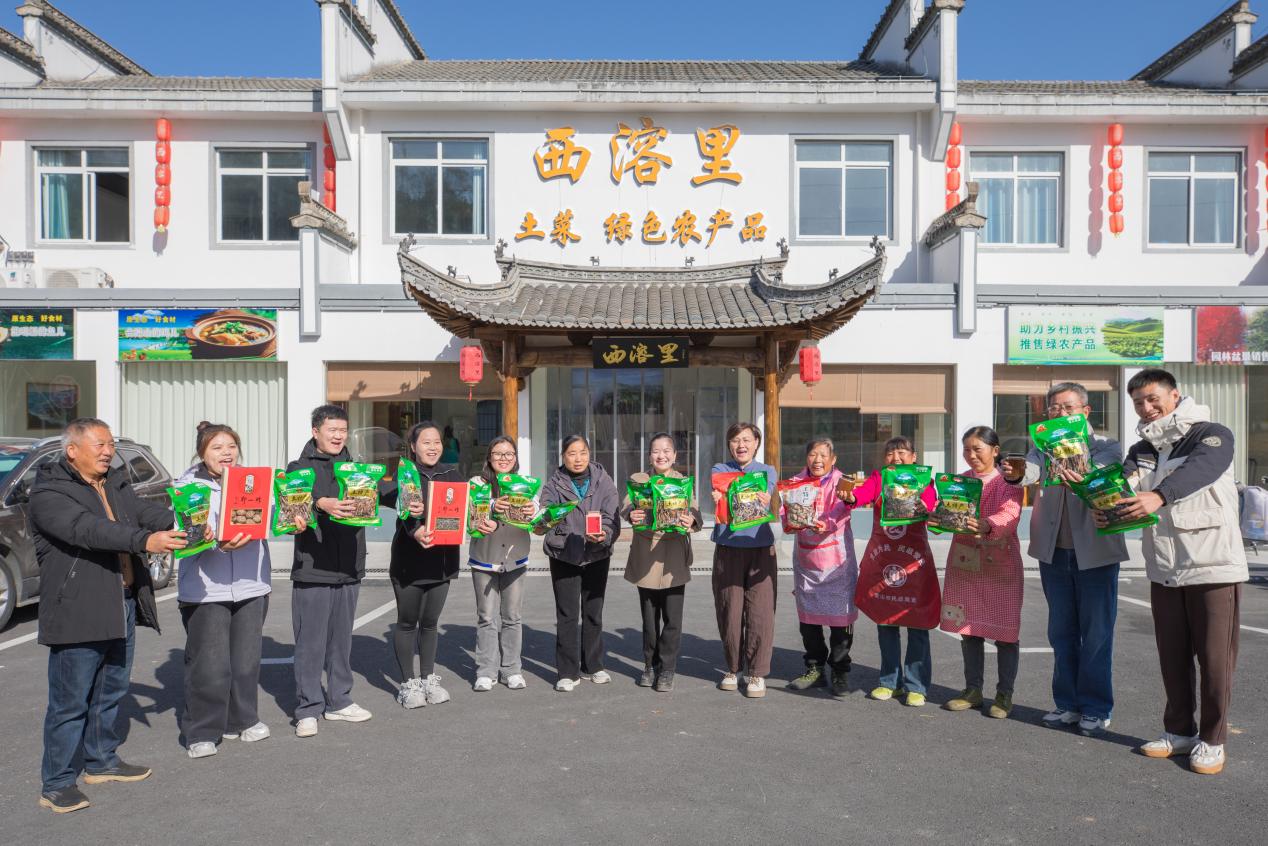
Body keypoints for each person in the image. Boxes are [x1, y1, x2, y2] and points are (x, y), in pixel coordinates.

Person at [30, 418, 187, 813]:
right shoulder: (49, 492)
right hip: (78, 608)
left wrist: (194, 519)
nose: (107, 451)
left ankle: (101, 762)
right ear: (72, 451)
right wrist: (145, 541)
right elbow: (89, 530)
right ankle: (57, 781)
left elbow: (146, 514)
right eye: (99, 444)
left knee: (110, 691)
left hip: (122, 602)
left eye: (111, 444)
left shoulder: (115, 483)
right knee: (70, 702)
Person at [1117, 369, 1248, 775]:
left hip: (1212, 565)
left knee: (1214, 659)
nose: (1146, 407)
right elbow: (1123, 487)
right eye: (1138, 401)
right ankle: (1179, 732)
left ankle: (1212, 739)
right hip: (1164, 567)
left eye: (1153, 398)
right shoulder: (1142, 447)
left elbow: (1201, 472)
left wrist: (1158, 495)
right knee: (1172, 657)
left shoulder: (1211, 434)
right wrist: (1094, 490)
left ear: (1174, 395)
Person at [1002, 383, 1127, 737]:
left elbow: (1100, 476)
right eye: (1053, 409)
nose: (1059, 414)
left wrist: (1069, 460)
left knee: (1097, 632)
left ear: (1085, 411)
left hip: (1097, 552)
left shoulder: (1106, 445)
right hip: (1053, 550)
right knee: (1061, 631)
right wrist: (1014, 471)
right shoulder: (1040, 446)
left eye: (1067, 407)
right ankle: (1067, 704)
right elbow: (1030, 471)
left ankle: (1096, 707)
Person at [288, 405, 393, 738]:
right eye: (332, 429)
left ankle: (339, 701)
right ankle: (308, 708)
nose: (338, 436)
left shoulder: (359, 470)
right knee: (310, 642)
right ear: (316, 431)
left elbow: (381, 494)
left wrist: (408, 495)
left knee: (341, 641)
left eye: (343, 430)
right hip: (312, 565)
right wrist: (322, 503)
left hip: (349, 564)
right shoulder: (298, 468)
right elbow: (293, 504)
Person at [176, 422, 272, 759]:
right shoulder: (187, 488)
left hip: (252, 583)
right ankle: (201, 730)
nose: (226, 453)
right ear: (202, 452)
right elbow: (181, 536)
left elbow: (270, 517)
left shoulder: (255, 482)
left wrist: (291, 517)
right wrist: (215, 543)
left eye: (231, 446)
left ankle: (243, 719)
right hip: (205, 590)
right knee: (210, 664)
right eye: (217, 447)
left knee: (246, 662)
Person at [845, 436, 941, 707]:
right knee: (886, 621)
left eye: (902, 452)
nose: (896, 458)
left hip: (914, 563)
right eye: (890, 453)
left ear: (914, 456)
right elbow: (861, 494)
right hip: (883, 559)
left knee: (917, 622)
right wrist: (851, 496)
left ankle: (916, 685)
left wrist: (928, 509)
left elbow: (934, 513)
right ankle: (889, 681)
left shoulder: (925, 481)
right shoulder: (879, 477)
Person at [940, 426, 1025, 718]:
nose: (971, 455)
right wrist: (938, 516)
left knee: (1006, 635)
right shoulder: (960, 481)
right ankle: (973, 690)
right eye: (967, 449)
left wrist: (989, 524)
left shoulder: (1010, 480)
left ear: (995, 450)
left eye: (978, 448)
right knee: (969, 630)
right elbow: (946, 511)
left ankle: (1004, 695)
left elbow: (1011, 513)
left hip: (1000, 565)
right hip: (965, 563)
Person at [621, 433, 702, 693]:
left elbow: (695, 511)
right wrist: (630, 514)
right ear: (649, 456)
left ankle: (667, 669)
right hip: (645, 555)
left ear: (675, 455)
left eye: (667, 450)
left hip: (674, 558)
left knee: (672, 618)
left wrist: (692, 521)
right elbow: (625, 507)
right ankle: (649, 664)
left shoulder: (683, 483)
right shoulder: (638, 480)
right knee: (649, 618)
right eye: (656, 451)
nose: (661, 455)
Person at [538, 435, 620, 692]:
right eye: (572, 453)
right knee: (567, 615)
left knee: (593, 614)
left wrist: (604, 534)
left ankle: (593, 666)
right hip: (564, 555)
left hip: (596, 553)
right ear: (563, 456)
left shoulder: (604, 481)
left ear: (589, 454)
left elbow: (612, 516)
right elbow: (544, 516)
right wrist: (547, 522)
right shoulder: (553, 484)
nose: (578, 458)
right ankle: (567, 671)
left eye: (583, 452)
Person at [390, 421, 459, 709]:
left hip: (442, 560)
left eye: (437, 442)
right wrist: (414, 528)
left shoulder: (453, 475)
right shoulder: (404, 475)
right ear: (414, 447)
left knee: (430, 623)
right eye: (426, 442)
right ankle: (408, 684)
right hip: (409, 560)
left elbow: (466, 509)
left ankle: (429, 678)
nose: (433, 447)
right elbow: (394, 504)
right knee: (407, 623)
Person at [710, 422, 779, 699]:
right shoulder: (719, 470)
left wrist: (766, 499)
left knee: (760, 612)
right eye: (736, 440)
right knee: (730, 609)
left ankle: (757, 673)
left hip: (760, 547)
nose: (741, 445)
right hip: (727, 546)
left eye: (747, 440)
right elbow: (722, 497)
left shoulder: (767, 472)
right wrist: (718, 497)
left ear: (756, 443)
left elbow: (768, 501)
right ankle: (733, 668)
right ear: (729, 444)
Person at [785, 438, 857, 698]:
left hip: (837, 563)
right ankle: (814, 669)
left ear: (833, 459)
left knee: (840, 622)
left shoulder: (843, 482)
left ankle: (840, 671)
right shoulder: (794, 483)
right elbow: (786, 513)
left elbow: (844, 510)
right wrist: (791, 519)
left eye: (823, 455)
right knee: (808, 621)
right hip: (807, 563)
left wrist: (822, 522)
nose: (817, 460)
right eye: (813, 454)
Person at [468, 435, 537, 692]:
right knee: (486, 617)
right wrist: (494, 505)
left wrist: (534, 511)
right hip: (483, 560)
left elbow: (536, 513)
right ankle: (486, 670)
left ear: (516, 458)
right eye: (498, 453)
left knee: (512, 617)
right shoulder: (477, 484)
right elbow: (470, 512)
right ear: (489, 457)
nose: (504, 458)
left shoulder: (526, 485)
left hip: (515, 560)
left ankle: (511, 670)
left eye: (509, 454)